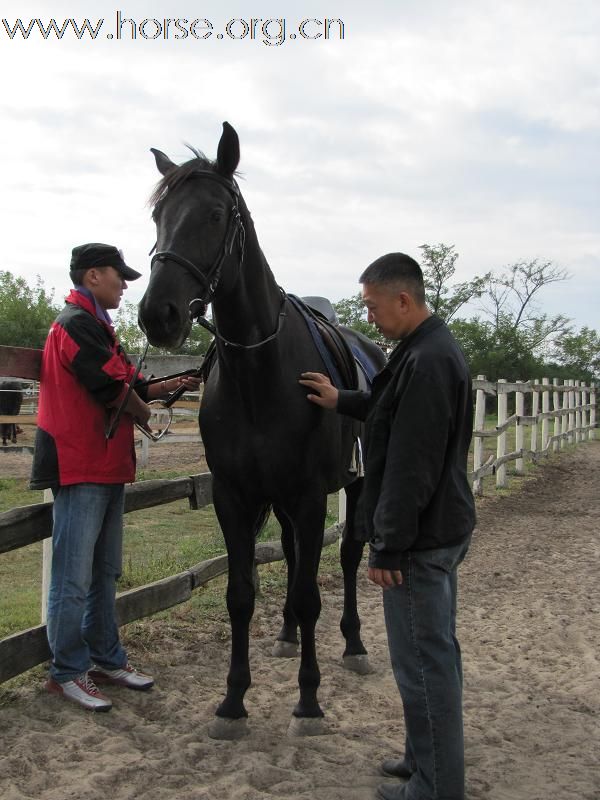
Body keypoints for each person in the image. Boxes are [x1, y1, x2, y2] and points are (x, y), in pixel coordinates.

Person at [300, 253, 475, 800]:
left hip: (418, 539)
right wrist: (342, 399)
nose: (368, 318)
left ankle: (436, 787)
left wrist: (388, 548)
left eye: (373, 307)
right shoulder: (426, 351)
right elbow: (388, 405)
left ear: (404, 300)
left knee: (423, 662)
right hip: (440, 526)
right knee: (433, 652)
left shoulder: (426, 362)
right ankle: (422, 759)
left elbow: (410, 465)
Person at [30, 242, 200, 712]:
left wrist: (169, 385)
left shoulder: (96, 326)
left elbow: (125, 382)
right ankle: (66, 671)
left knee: (103, 572)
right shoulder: (77, 325)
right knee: (72, 577)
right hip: (80, 462)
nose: (125, 284)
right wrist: (152, 414)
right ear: (91, 277)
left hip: (102, 464)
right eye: (117, 275)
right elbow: (109, 388)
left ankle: (105, 657)